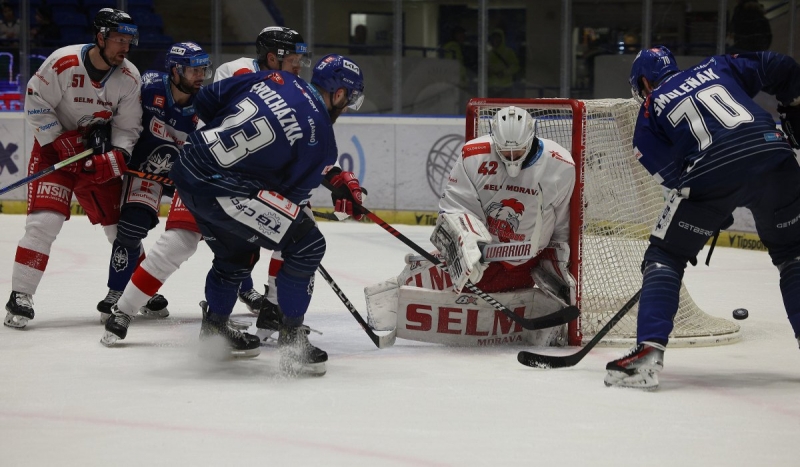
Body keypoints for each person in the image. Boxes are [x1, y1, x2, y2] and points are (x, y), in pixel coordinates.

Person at [605, 46, 800, 390]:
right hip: (775, 154)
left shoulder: (649, 112)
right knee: (793, 255)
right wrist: (792, 105)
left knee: (664, 256)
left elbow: (676, 180)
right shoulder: (720, 65)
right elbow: (780, 65)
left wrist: (710, 211)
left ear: (645, 84)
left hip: (711, 171)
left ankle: (648, 353)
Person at [168, 54, 365, 374]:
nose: (346, 107)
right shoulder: (323, 142)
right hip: (223, 190)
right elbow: (291, 203)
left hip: (188, 169)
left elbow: (205, 100)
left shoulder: (276, 78)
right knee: (307, 243)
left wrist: (330, 177)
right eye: (349, 100)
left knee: (236, 252)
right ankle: (291, 343)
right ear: (339, 94)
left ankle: (215, 330)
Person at [364, 106, 576, 346]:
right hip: (483, 256)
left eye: (518, 150)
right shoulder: (474, 154)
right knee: (448, 280)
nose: (512, 157)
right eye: (505, 150)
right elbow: (455, 207)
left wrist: (556, 262)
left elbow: (561, 223)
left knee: (497, 296)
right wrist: (465, 245)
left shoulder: (561, 164)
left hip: (524, 263)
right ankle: (397, 295)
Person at [4, 8, 142, 329]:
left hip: (97, 157)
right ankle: (21, 295)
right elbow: (36, 99)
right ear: (100, 37)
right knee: (43, 222)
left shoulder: (129, 77)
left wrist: (116, 155)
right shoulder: (63, 61)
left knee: (123, 228)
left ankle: (139, 291)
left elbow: (128, 127)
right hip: (56, 156)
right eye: (118, 40)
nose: (125, 47)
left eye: (128, 40)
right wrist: (57, 140)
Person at [97, 42, 211, 342]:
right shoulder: (147, 87)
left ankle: (246, 290)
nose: (200, 75)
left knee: (220, 236)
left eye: (203, 69)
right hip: (144, 172)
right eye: (194, 69)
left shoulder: (208, 104)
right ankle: (118, 292)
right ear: (175, 70)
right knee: (131, 228)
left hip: (185, 179)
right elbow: (117, 112)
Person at [487, 28, 519, 98]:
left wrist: (504, 73)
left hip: (506, 86)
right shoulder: (488, 53)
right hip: (491, 86)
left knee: (505, 108)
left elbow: (515, 66)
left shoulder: (509, 52)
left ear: (502, 39)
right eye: (493, 38)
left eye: (497, 38)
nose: (495, 40)